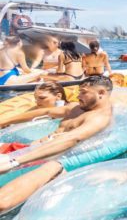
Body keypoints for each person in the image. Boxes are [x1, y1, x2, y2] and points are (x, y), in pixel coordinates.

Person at [0, 76, 114, 212]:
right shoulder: (77, 108)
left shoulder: (99, 118)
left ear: (101, 93)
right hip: (29, 150)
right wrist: (3, 121)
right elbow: (46, 111)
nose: (78, 96)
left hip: (43, 159)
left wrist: (16, 161)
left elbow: (72, 139)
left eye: (83, 92)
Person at [0, 81, 68, 129]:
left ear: (58, 96)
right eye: (36, 98)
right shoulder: (36, 109)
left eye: (42, 98)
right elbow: (24, 115)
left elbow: (50, 111)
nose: (37, 101)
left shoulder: (70, 109)